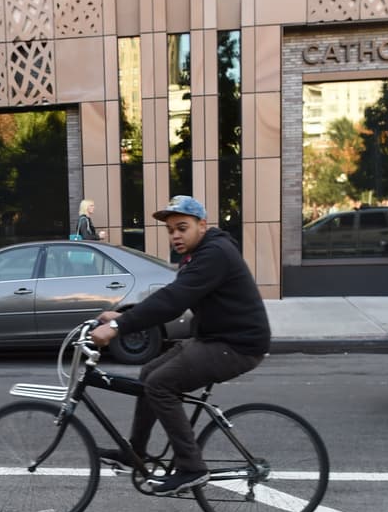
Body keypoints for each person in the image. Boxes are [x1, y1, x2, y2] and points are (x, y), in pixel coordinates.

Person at [88, 195, 270, 495]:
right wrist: (125, 316)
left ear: (202, 225)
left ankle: (191, 469)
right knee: (149, 373)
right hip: (213, 338)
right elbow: (171, 296)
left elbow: (174, 301)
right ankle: (136, 453)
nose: (175, 235)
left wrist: (118, 327)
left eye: (182, 227)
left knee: (160, 385)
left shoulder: (215, 254)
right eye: (171, 229)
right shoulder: (199, 254)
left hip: (237, 345)